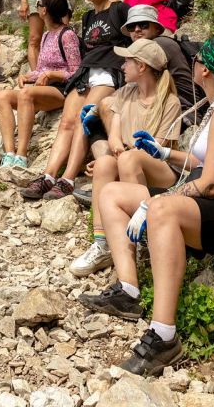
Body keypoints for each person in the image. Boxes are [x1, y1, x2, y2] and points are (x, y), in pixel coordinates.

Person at [78, 39, 214, 376]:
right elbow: (202, 162)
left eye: (196, 60)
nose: (193, 64)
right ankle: (128, 290)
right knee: (110, 194)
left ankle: (164, 335)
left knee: (162, 210)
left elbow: (211, 182)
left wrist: (158, 200)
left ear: (206, 70)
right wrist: (164, 153)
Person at [69, 38, 184, 277]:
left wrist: (125, 150)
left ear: (141, 67)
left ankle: (142, 237)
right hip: (129, 158)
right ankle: (102, 243)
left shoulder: (170, 102)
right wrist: (115, 146)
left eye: (128, 61)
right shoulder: (126, 92)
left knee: (129, 159)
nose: (122, 65)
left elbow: (160, 148)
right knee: (104, 163)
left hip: (161, 171)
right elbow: (115, 133)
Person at [20, 0, 129, 202]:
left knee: (84, 117)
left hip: (108, 70)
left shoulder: (119, 9)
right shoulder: (88, 17)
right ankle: (48, 176)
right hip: (85, 72)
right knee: (66, 123)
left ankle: (67, 179)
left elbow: (136, 31)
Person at [0, 0, 80, 167]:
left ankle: (22, 155)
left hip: (61, 90)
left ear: (44, 10)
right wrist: (27, 75)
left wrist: (52, 74)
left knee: (26, 94)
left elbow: (76, 70)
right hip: (43, 88)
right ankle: (9, 153)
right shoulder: (46, 35)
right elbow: (41, 69)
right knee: (3, 96)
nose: (37, 7)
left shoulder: (68, 35)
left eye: (39, 4)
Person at [121, 4, 202, 123]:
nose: (137, 29)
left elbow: (132, 84)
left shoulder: (158, 44)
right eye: (131, 27)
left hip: (184, 113)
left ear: (157, 29)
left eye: (143, 25)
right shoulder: (157, 45)